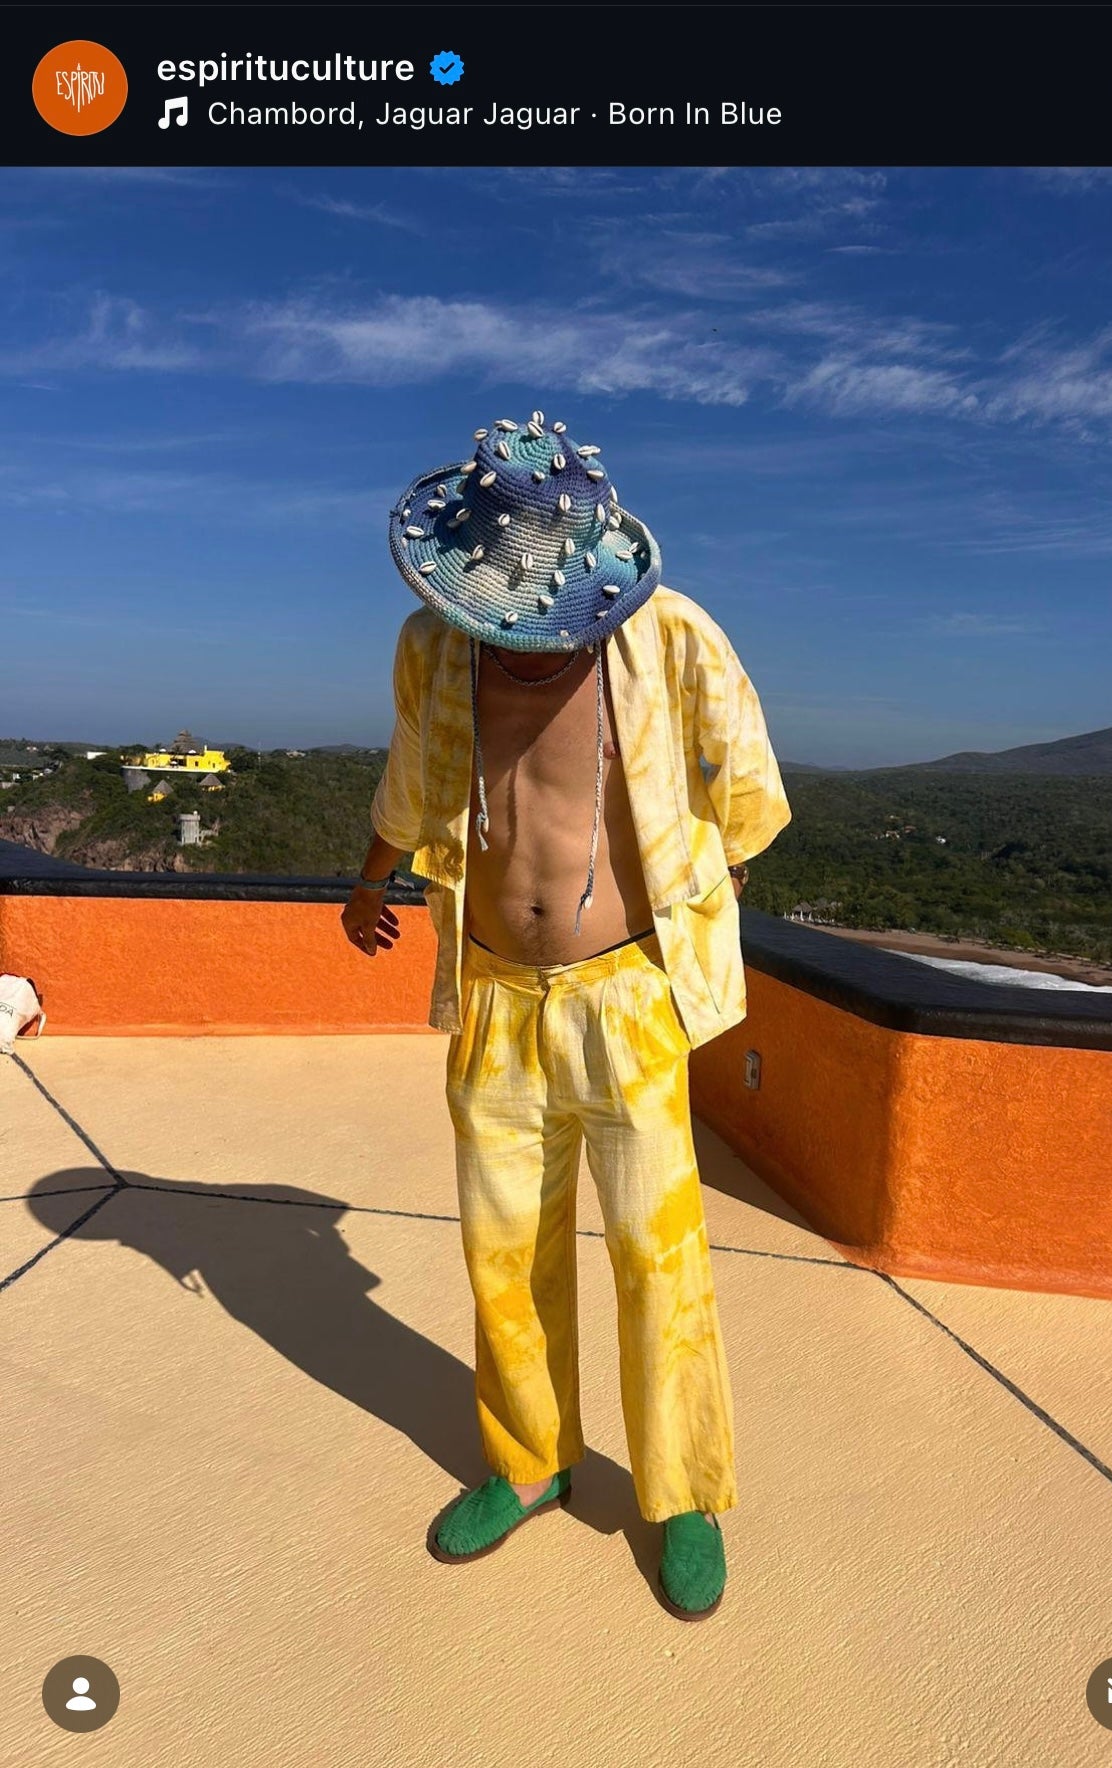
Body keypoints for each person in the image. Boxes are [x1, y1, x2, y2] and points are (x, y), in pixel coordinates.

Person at [341, 408, 790, 1620]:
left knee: (659, 1254)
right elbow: (411, 778)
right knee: (504, 1252)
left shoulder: (673, 637)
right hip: (494, 991)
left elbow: (747, 798)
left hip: (626, 997)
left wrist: (690, 913)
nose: (523, 646)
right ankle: (530, 1461)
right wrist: (370, 879)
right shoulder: (432, 650)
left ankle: (682, 1492)